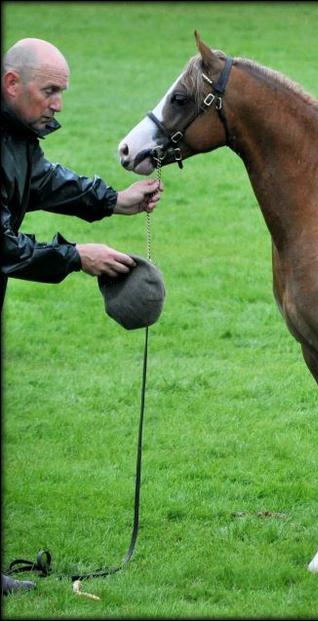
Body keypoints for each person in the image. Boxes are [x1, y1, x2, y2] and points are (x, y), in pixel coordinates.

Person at [1, 38, 162, 595]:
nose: (58, 104)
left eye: (63, 92)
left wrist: (114, 201)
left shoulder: (18, 138)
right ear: (11, 84)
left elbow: (44, 182)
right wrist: (76, 257)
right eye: (50, 91)